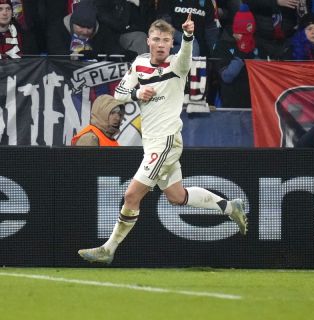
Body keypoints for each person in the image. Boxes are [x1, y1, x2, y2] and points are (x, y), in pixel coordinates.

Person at [78, 14, 248, 264]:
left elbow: (187, 52)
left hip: (166, 142)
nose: (160, 44)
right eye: (156, 39)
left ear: (171, 44)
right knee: (177, 196)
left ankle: (109, 248)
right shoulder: (139, 64)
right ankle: (229, 206)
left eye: (166, 40)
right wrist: (138, 92)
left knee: (131, 196)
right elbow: (120, 93)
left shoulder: (177, 65)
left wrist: (188, 35)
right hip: (153, 142)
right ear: (148, 41)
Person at [46, 0, 136, 61]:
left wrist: (123, 55)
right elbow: (55, 55)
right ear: (72, 23)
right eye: (81, 27)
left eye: (89, 28)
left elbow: (112, 48)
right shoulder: (57, 29)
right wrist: (77, 56)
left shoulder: (102, 29)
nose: (85, 31)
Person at [212, 3, 260, 108]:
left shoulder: (257, 45)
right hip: (230, 107)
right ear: (235, 31)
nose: (246, 37)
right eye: (242, 33)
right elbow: (227, 77)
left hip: (254, 107)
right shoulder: (222, 46)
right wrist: (242, 53)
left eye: (249, 34)